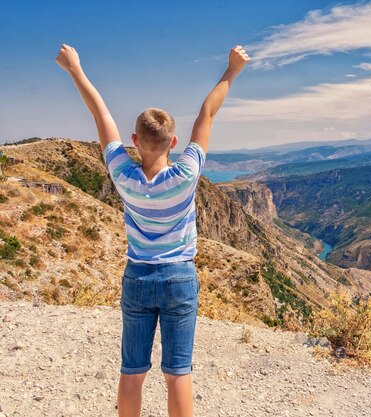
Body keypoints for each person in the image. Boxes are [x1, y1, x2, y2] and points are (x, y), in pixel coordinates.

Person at [55, 43, 250, 417]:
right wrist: (231, 71)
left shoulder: (124, 176)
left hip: (138, 277)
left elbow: (101, 115)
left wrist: (75, 69)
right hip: (180, 277)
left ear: (134, 142)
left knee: (132, 371)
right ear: (173, 143)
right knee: (178, 372)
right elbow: (207, 114)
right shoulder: (186, 175)